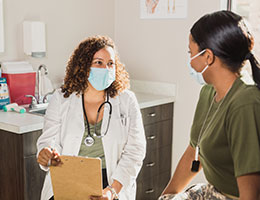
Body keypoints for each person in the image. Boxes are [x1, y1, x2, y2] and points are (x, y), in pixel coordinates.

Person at [159, 10, 260, 200]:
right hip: (214, 191)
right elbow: (193, 153)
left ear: (208, 57)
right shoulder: (208, 92)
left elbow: (250, 194)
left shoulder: (245, 103)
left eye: (191, 53)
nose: (189, 61)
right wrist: (165, 196)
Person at [36, 35, 146, 200]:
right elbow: (49, 141)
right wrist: (47, 154)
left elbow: (135, 151)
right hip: (68, 177)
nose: (106, 69)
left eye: (110, 64)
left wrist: (112, 190)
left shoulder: (126, 100)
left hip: (111, 181)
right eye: (98, 63)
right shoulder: (61, 99)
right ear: (84, 66)